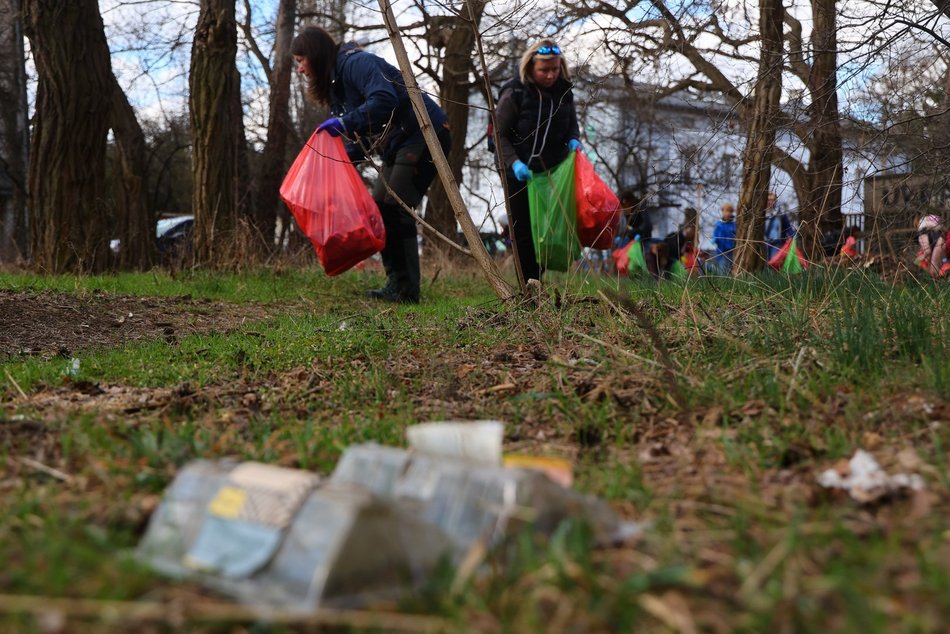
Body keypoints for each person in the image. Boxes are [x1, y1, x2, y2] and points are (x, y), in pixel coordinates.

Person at [291, 26, 452, 304]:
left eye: (300, 61)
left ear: (315, 55)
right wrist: (331, 163)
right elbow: (357, 140)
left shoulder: (356, 63)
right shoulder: (336, 89)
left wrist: (344, 122)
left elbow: (383, 99)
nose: (300, 70)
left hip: (424, 132)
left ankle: (406, 291)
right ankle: (398, 284)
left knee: (393, 205)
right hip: (397, 143)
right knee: (380, 208)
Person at [493, 38, 581, 283]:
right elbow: (498, 135)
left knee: (545, 229)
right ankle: (528, 286)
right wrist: (514, 164)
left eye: (554, 69)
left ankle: (537, 279)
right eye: (544, 70)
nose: (550, 75)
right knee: (523, 229)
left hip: (550, 174)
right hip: (517, 171)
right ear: (531, 66)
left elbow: (572, 126)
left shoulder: (564, 93)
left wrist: (574, 140)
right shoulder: (515, 91)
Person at [763, 191, 793, 260]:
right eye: (768, 200)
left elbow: (787, 226)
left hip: (777, 241)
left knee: (774, 261)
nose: (770, 202)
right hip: (764, 242)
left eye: (772, 200)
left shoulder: (780, 214)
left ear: (775, 201)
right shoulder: (761, 213)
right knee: (765, 262)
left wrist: (791, 235)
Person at [711, 202, 737, 273]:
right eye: (726, 211)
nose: (728, 213)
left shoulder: (734, 224)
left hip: (732, 251)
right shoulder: (719, 224)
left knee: (730, 270)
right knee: (722, 270)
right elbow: (715, 235)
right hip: (721, 251)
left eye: (730, 211)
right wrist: (714, 239)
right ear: (722, 211)